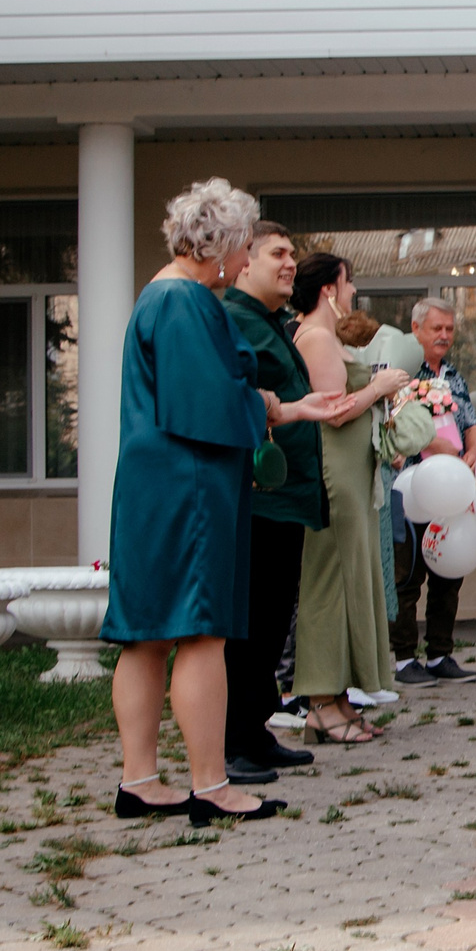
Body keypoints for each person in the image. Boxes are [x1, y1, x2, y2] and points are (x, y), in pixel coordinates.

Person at [102, 179, 339, 825]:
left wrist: (278, 406)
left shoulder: (159, 296)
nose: (245, 264)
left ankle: (141, 781)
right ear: (226, 244)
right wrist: (260, 404)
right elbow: (205, 404)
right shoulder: (185, 302)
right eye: (244, 249)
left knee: (145, 636)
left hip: (155, 486)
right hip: (192, 489)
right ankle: (212, 784)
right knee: (201, 635)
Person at [217, 220, 326, 787]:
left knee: (272, 621)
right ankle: (233, 743)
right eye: (278, 254)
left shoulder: (271, 323)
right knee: (253, 624)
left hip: (287, 500)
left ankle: (255, 732)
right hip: (261, 502)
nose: (290, 263)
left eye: (293, 253)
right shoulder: (236, 321)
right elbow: (257, 403)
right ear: (245, 262)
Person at [288, 253, 408, 743]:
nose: (353, 290)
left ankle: (339, 700)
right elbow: (333, 412)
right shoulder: (314, 336)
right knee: (328, 584)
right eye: (348, 281)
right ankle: (318, 702)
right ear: (327, 290)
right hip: (334, 472)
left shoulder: (329, 337)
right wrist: (377, 386)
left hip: (355, 471)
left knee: (348, 581)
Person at [390, 296, 476, 687]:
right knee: (408, 576)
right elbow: (392, 426)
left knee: (449, 573)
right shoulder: (401, 372)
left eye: (449, 329)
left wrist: (474, 451)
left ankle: (439, 655)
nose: (444, 336)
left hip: (453, 490)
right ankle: (402, 660)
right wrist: (432, 443)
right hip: (413, 487)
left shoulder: (453, 375)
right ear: (416, 330)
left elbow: (471, 420)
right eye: (437, 329)